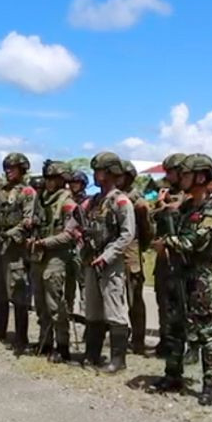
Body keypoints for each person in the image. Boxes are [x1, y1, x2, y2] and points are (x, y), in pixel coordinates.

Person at [149, 154, 212, 405]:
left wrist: (167, 243)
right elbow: (158, 222)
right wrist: (162, 210)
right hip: (177, 274)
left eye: (185, 175)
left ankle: (210, 384)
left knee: (205, 333)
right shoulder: (185, 207)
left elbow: (195, 242)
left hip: (199, 278)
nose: (180, 179)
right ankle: (173, 375)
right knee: (174, 328)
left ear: (201, 177)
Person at [76, 152, 135, 373]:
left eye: (99, 171)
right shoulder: (92, 201)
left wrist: (108, 256)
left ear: (110, 173)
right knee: (92, 310)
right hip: (91, 260)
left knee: (115, 311)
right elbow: (75, 221)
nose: (95, 175)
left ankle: (118, 360)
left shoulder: (121, 201)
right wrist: (77, 236)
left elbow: (127, 235)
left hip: (111, 264)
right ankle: (92, 354)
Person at [0, 153, 37, 353]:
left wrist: (9, 234)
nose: (8, 171)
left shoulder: (27, 192)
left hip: (15, 248)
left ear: (22, 169)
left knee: (17, 292)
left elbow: (28, 220)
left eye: (13, 167)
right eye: (6, 167)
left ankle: (21, 336)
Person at [30, 161, 79, 361]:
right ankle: (45, 342)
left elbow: (70, 234)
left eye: (54, 179)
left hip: (58, 258)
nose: (49, 183)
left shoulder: (68, 203)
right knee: (40, 304)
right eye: (47, 179)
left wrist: (45, 242)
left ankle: (63, 346)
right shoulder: (41, 200)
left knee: (57, 305)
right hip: (39, 256)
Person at [151, 154, 186, 358]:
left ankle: (185, 343)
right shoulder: (164, 193)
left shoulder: (189, 195)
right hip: (163, 255)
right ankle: (165, 338)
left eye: (171, 171)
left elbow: (180, 213)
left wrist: (166, 206)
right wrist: (159, 205)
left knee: (182, 302)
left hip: (181, 255)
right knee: (162, 299)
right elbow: (153, 219)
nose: (168, 176)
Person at [119, 160, 152, 354]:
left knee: (134, 298)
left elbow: (147, 229)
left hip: (131, 252)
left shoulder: (137, 201)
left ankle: (138, 340)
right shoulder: (115, 197)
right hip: (116, 250)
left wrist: (141, 248)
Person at [64, 170, 89, 321]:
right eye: (72, 183)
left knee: (84, 282)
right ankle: (67, 312)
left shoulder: (87, 202)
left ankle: (86, 314)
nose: (74, 186)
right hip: (66, 244)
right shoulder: (65, 200)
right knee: (68, 281)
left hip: (81, 245)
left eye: (77, 183)